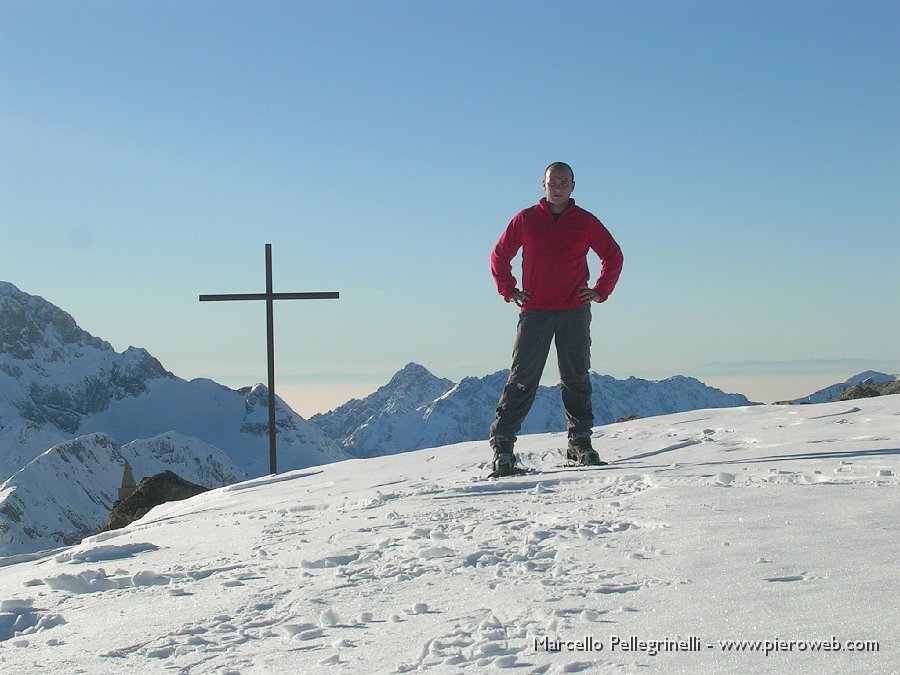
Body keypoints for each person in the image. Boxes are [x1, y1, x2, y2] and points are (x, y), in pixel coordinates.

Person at [488, 162, 623, 476]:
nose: (558, 186)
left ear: (573, 186)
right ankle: (504, 449)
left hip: (574, 311)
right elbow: (500, 254)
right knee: (522, 379)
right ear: (543, 185)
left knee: (576, 377)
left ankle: (580, 444)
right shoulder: (526, 219)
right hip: (535, 312)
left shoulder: (585, 222)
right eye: (553, 181)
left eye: (564, 181)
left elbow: (612, 254)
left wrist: (601, 290)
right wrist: (508, 290)